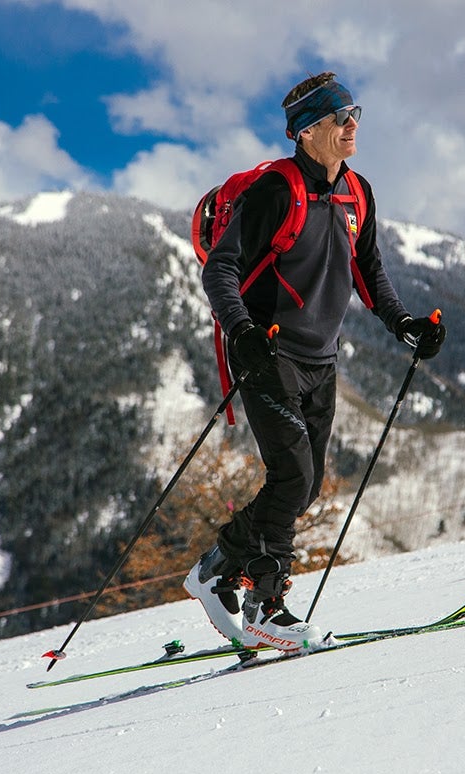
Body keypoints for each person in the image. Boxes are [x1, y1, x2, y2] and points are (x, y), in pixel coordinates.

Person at [183, 72, 446, 652]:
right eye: (338, 118)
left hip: (321, 361)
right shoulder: (275, 192)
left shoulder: (357, 193)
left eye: (355, 114)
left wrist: (402, 323)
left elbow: (368, 270)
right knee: (293, 475)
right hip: (267, 353)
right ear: (306, 131)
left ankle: (217, 567)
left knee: (301, 490)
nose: (352, 126)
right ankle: (265, 607)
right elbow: (220, 268)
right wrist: (242, 331)